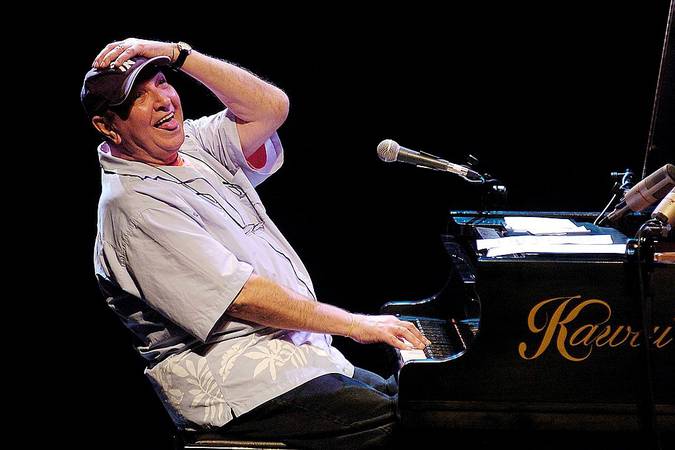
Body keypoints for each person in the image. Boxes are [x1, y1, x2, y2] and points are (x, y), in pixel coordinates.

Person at [83, 38, 429, 449]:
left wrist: (179, 54)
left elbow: (271, 108)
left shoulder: (192, 145)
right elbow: (243, 297)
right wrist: (356, 324)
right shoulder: (134, 206)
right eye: (138, 98)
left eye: (161, 82)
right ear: (108, 126)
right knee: (416, 425)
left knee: (429, 402)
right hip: (240, 383)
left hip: (295, 360)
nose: (163, 101)